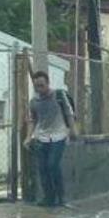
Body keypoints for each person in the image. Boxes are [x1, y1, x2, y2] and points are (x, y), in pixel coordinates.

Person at [24, 70, 76, 207]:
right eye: (36, 86)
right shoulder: (34, 101)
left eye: (42, 85)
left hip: (59, 135)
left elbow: (69, 113)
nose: (39, 89)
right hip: (42, 137)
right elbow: (32, 120)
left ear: (48, 84)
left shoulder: (59, 95)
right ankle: (49, 197)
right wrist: (29, 137)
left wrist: (73, 130)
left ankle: (62, 197)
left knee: (52, 165)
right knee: (42, 168)